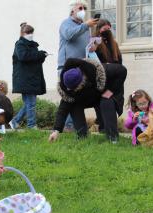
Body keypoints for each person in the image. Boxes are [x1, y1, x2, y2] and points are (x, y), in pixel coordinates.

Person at [48, 58, 127, 143]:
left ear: (81, 82)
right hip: (85, 97)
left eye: (73, 89)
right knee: (73, 104)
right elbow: (63, 109)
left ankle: (113, 138)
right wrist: (56, 131)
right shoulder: (67, 88)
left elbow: (122, 70)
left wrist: (110, 91)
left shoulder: (97, 72)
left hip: (103, 92)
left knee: (106, 101)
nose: (70, 90)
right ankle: (82, 135)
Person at [58, 0, 99, 131]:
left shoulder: (84, 27)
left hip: (81, 66)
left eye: (85, 8)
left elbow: (85, 45)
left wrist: (93, 47)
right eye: (80, 8)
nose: (83, 10)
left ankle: (73, 126)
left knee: (76, 96)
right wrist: (86, 25)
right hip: (66, 66)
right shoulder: (66, 23)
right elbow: (69, 35)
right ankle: (68, 126)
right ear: (72, 10)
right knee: (68, 95)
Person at [9, 23, 47, 130]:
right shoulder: (19, 44)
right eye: (28, 32)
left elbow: (34, 59)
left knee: (29, 103)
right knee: (31, 103)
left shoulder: (33, 45)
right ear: (22, 33)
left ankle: (15, 121)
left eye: (31, 32)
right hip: (24, 79)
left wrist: (42, 55)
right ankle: (31, 125)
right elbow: (23, 56)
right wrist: (39, 55)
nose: (30, 34)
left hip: (32, 78)